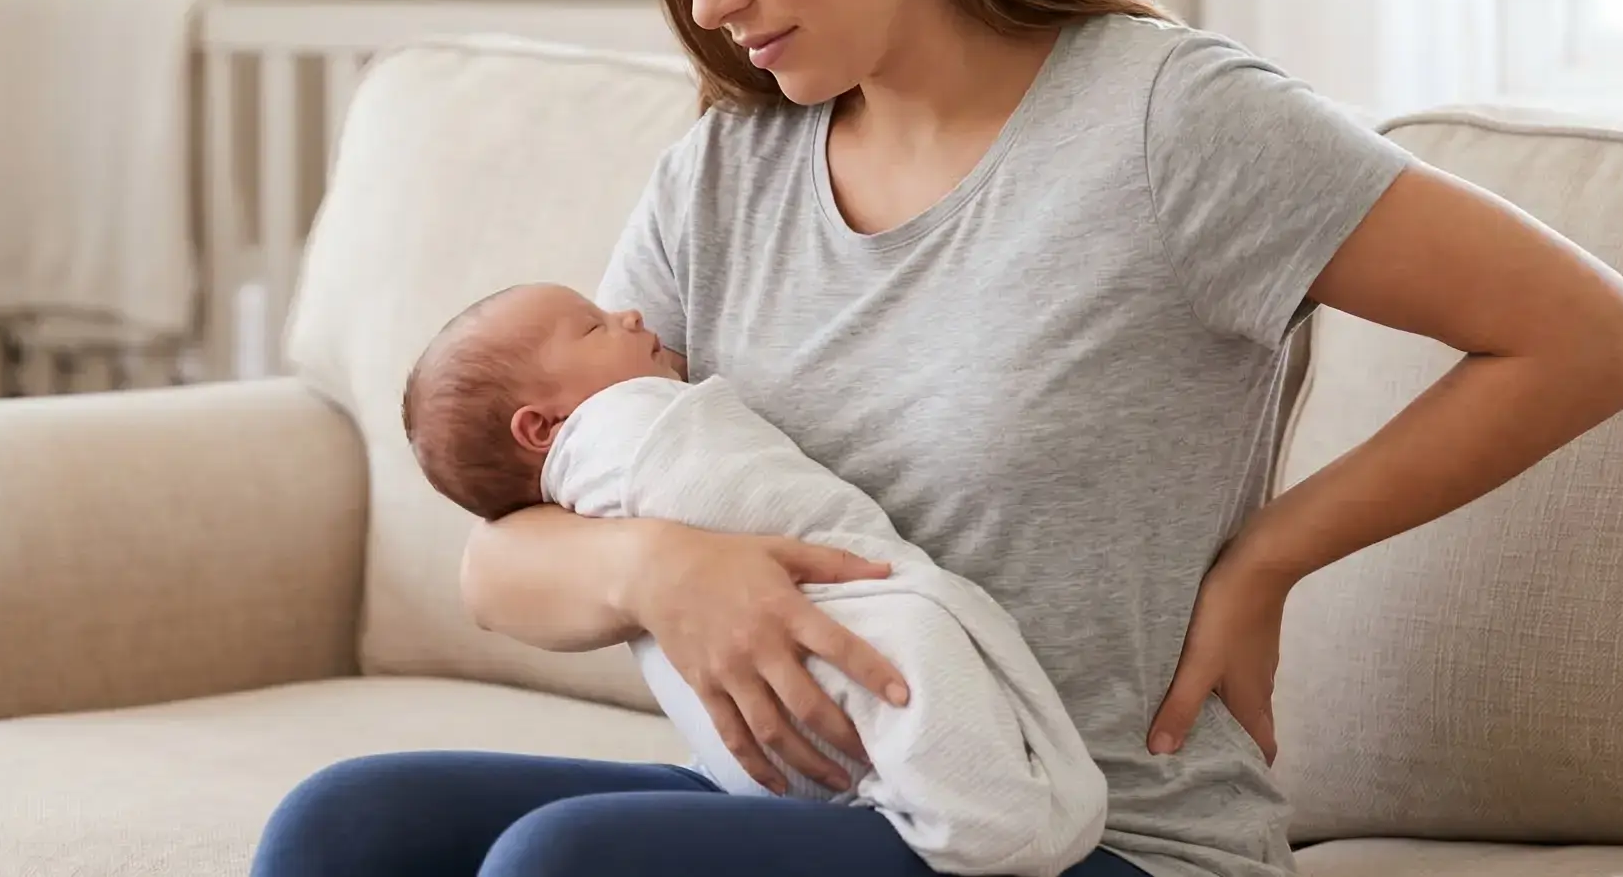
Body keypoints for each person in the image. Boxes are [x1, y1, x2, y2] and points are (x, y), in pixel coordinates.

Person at [252, 0, 1623, 877]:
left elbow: (1589, 336)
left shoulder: (1170, 123)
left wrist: (1266, 559)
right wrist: (656, 569)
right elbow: (504, 561)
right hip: (813, 808)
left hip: (1087, 834)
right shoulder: (725, 172)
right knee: (347, 825)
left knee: (567, 862)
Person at [398, 282, 1105, 876]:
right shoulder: (620, 430)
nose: (631, 315)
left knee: (553, 859)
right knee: (363, 816)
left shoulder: (1150, 163)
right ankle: (990, 818)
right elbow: (489, 570)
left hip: (1131, 823)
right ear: (539, 429)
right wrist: (661, 566)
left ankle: (990, 821)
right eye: (595, 325)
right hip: (767, 748)